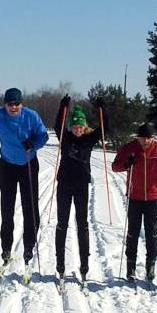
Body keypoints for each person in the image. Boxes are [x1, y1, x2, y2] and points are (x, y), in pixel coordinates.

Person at [0, 87, 49, 267]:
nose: (13, 107)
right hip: (7, 165)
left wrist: (34, 143)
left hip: (28, 164)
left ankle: (29, 246)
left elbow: (43, 135)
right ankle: (6, 249)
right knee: (7, 209)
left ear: (22, 104)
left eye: (17, 104)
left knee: (30, 208)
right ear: (4, 104)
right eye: (10, 104)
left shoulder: (31, 116)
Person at [112, 123, 157, 282]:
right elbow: (115, 166)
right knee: (133, 232)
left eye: (148, 138)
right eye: (142, 138)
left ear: (152, 137)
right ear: (138, 137)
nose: (145, 141)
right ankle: (131, 266)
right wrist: (126, 164)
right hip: (134, 196)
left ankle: (150, 266)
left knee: (151, 232)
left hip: (153, 197)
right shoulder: (129, 148)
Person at [53, 95, 107, 280]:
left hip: (82, 185)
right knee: (62, 223)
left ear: (84, 127)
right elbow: (57, 125)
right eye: (75, 126)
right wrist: (63, 108)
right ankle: (60, 262)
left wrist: (102, 108)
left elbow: (104, 129)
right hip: (64, 185)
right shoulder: (65, 137)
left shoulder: (88, 139)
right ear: (71, 127)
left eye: (80, 127)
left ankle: (84, 264)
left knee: (82, 224)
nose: (77, 130)